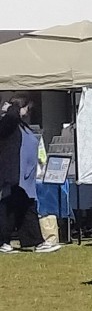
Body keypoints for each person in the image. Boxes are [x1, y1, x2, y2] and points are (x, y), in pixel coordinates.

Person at [0, 95, 56, 254]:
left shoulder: (21, 126)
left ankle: (34, 241)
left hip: (25, 178)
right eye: (27, 109)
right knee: (9, 208)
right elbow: (11, 117)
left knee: (25, 209)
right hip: (13, 175)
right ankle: (3, 241)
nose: (28, 113)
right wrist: (13, 109)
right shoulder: (7, 123)